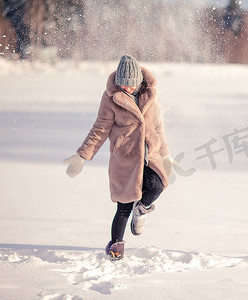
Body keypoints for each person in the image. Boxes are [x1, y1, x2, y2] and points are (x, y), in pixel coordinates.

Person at [64, 54, 173, 260]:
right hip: (125, 158)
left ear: (138, 82)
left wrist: (166, 155)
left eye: (130, 86)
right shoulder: (110, 97)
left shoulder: (150, 94)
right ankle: (116, 245)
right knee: (123, 205)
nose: (126, 89)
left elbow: (158, 126)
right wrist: (82, 156)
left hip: (150, 155)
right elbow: (100, 129)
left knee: (157, 186)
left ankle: (141, 211)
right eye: (122, 85)